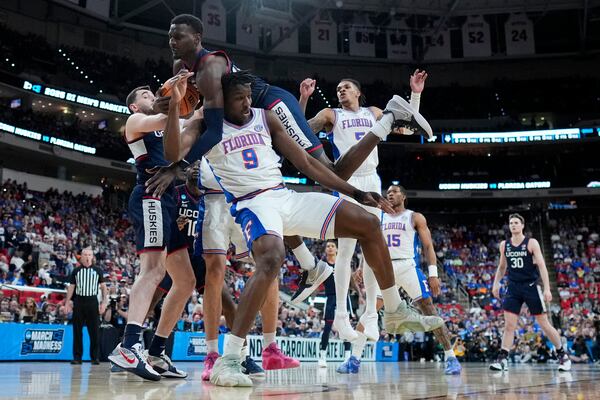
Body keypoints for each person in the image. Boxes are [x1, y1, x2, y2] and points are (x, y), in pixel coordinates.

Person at [162, 70, 443, 387]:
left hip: (283, 197)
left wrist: (356, 193)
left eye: (249, 98)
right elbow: (173, 154)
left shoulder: (265, 118)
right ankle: (229, 359)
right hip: (252, 203)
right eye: (239, 99)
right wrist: (174, 104)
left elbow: (308, 164)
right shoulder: (205, 126)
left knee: (367, 223)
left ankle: (393, 310)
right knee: (271, 257)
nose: (247, 104)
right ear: (223, 101)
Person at [164, 13, 432, 312]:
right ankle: (310, 265)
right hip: (250, 122)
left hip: (269, 105)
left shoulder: (210, 66)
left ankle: (390, 117)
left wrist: (178, 165)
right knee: (271, 193)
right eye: (170, 36)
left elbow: (213, 129)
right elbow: (196, 112)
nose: (172, 41)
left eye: (179, 36)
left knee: (330, 172)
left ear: (197, 38)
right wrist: (173, 107)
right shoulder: (181, 69)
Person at [293, 72, 428, 342]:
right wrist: (303, 98)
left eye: (346, 88)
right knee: (345, 251)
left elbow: (407, 126)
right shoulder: (332, 115)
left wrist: (415, 94)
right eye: (339, 88)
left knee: (371, 248)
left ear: (358, 92)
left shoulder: (374, 112)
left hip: (372, 180)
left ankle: (369, 315)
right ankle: (342, 316)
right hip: (346, 180)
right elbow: (300, 130)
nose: (341, 91)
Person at [107, 82, 201, 381]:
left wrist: (203, 94)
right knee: (152, 271)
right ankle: (129, 344)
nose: (151, 98)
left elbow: (195, 120)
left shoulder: (167, 125)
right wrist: (174, 98)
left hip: (171, 199)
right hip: (150, 195)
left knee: (185, 280)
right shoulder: (136, 121)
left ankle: (156, 352)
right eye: (145, 96)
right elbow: (165, 117)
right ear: (134, 106)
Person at [340, 185, 461, 375]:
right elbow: (369, 244)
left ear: (403, 196)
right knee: (370, 310)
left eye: (395, 191)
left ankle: (451, 357)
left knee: (429, 309)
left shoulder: (414, 217)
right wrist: (362, 267)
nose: (390, 193)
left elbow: (428, 246)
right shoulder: (378, 217)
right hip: (383, 267)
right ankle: (354, 359)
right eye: (388, 191)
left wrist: (433, 274)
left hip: (407, 266)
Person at [489, 213, 571, 372]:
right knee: (509, 325)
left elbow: (542, 266)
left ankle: (563, 355)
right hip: (513, 287)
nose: (513, 225)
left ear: (522, 225)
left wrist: (547, 288)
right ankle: (503, 358)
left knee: (544, 324)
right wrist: (495, 284)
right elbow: (501, 267)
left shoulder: (531, 243)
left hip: (531, 286)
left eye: (516, 222)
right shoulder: (504, 245)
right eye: (511, 223)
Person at [316, 240, 358, 368]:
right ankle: (322, 357)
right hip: (330, 297)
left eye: (332, 246)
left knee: (346, 327)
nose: (330, 248)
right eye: (328, 246)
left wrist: (360, 295)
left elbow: (350, 281)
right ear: (325, 250)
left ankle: (347, 357)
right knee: (327, 328)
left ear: (337, 249)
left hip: (344, 298)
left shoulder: (343, 264)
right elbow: (316, 282)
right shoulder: (322, 265)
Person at [65, 247, 108, 365]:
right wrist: (67, 302)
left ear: (92, 257)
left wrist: (104, 303)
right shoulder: (76, 271)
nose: (88, 257)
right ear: (81, 257)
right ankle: (77, 357)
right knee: (77, 331)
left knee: (94, 331)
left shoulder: (98, 270)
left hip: (92, 301)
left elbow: (104, 287)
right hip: (79, 301)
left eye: (90, 255)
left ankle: (95, 357)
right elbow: (71, 287)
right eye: (85, 255)